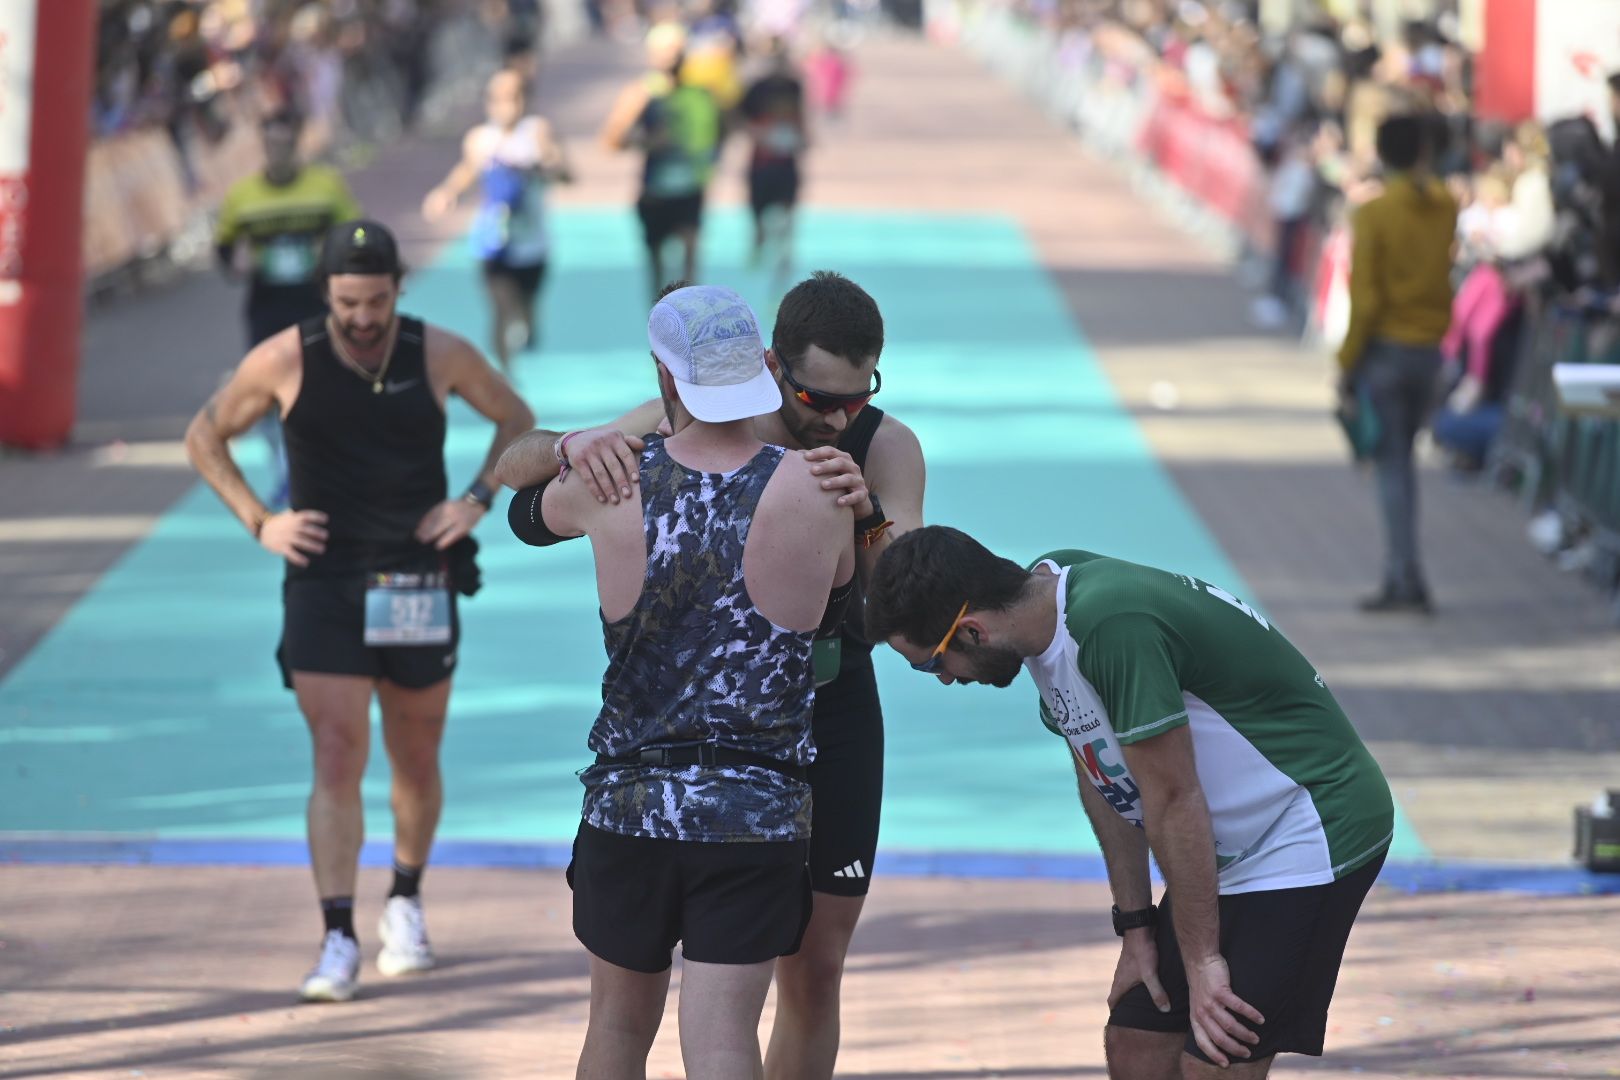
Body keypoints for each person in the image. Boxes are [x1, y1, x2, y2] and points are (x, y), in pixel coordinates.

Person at [494, 271, 923, 1080]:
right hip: (761, 784)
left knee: (656, 1016)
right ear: (766, 367)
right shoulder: (816, 492)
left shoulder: (870, 453)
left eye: (853, 402)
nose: (835, 418)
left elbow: (519, 513)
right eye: (815, 396)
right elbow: (843, 600)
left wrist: (874, 514)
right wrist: (567, 442)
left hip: (661, 777)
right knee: (722, 1037)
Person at [865, 526, 1395, 1079]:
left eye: (931, 664)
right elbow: (1101, 774)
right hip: (1228, 846)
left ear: (971, 630)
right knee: (1136, 1043)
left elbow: (1172, 798)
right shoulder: (1043, 607)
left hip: (1309, 830)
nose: (944, 681)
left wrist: (1202, 961)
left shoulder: (1110, 626)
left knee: (1213, 1062)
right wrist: (1137, 927)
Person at [183, 220, 535, 1002]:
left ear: (398, 291)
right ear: (326, 295)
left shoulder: (437, 352)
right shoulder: (283, 357)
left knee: (415, 756)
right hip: (325, 582)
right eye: (349, 302)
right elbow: (204, 435)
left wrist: (475, 500)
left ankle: (404, 902)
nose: (365, 317)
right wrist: (259, 519)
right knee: (337, 753)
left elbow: (517, 418)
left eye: (377, 300)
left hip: (417, 576)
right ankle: (338, 932)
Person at [1337, 114, 1456, 614]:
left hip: (1385, 352)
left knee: (1391, 470)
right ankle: (1409, 573)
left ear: (1382, 155)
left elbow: (1364, 299)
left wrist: (1346, 362)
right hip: (1429, 351)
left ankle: (1402, 576)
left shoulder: (1374, 215)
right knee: (1404, 464)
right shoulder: (1445, 206)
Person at [215, 109, 362, 507]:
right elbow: (225, 247)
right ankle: (284, 473)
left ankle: (326, 470)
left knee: (321, 388)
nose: (277, 152)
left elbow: (355, 235)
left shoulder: (325, 186)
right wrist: (235, 263)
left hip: (315, 303)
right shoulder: (243, 195)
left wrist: (333, 256)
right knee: (266, 392)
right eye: (270, 144)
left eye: (285, 143)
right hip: (267, 306)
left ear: (298, 143)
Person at [423, 70, 572, 372]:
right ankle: (506, 376)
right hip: (493, 243)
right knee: (501, 310)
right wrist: (446, 192)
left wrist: (548, 163)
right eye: (498, 99)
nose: (506, 106)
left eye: (513, 98)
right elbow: (467, 169)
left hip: (533, 242)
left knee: (524, 307)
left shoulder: (537, 132)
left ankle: (530, 320)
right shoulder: (480, 139)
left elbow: (565, 172)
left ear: (525, 100)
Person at [600, 22, 723, 302]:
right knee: (656, 264)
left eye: (677, 50)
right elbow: (611, 139)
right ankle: (659, 324)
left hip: (690, 189)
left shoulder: (701, 93)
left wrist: (710, 164)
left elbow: (719, 134)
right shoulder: (643, 93)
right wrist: (647, 141)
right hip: (655, 191)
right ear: (652, 55)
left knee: (690, 256)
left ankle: (690, 321)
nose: (672, 56)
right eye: (666, 50)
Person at [740, 38, 809, 292]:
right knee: (758, 213)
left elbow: (800, 115)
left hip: (787, 163)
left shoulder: (794, 86)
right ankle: (758, 241)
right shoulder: (757, 88)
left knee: (786, 216)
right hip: (761, 163)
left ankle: (784, 261)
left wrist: (803, 137)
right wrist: (761, 135)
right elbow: (740, 118)